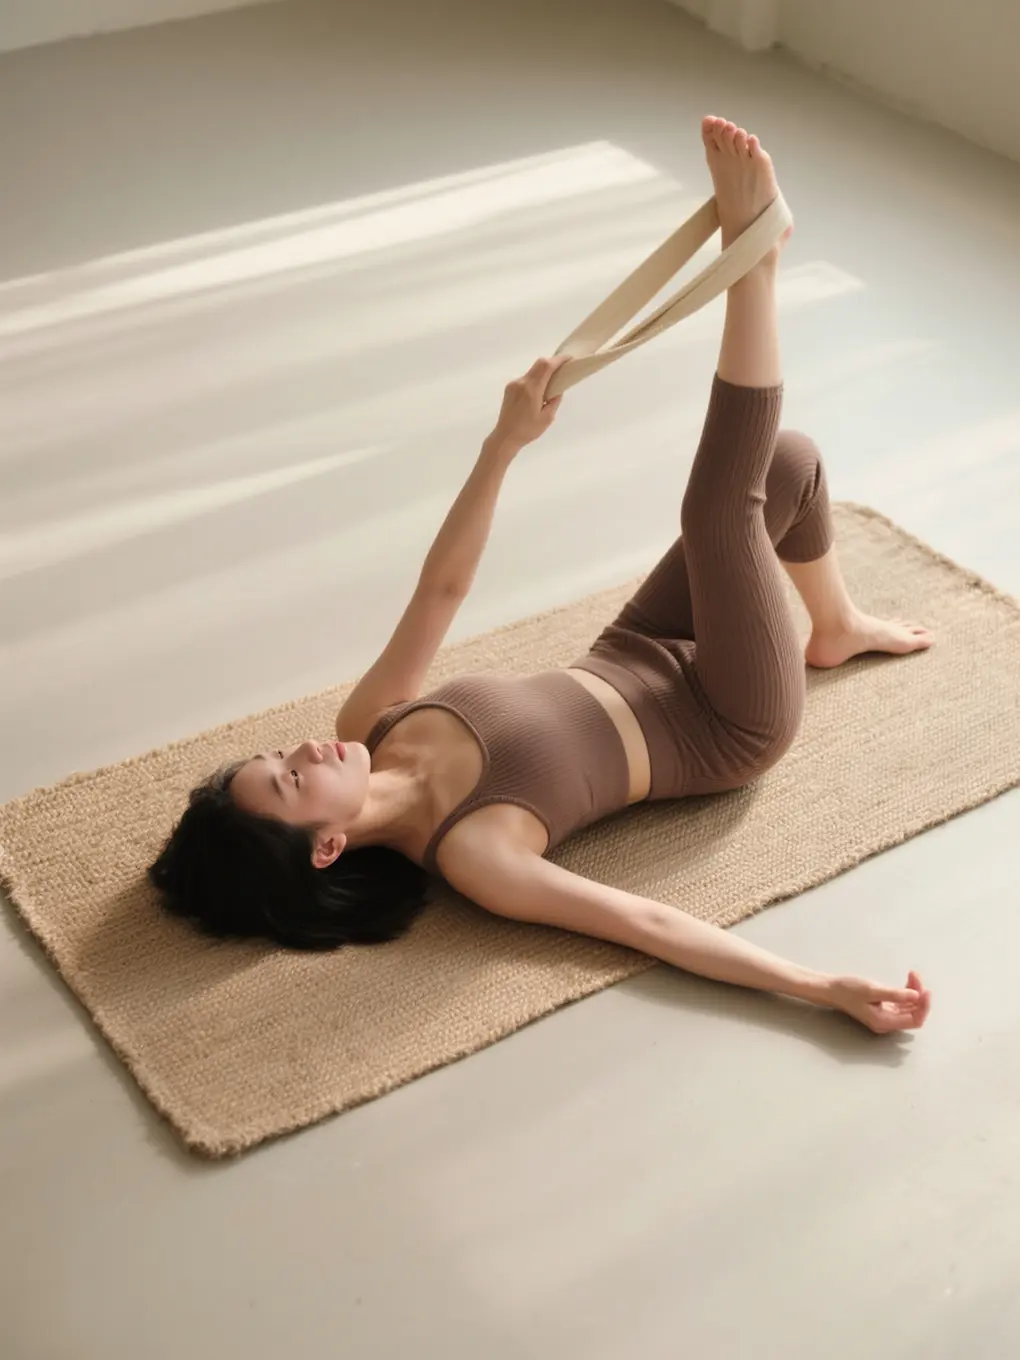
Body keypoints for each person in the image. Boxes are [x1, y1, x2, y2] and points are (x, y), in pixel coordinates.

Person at [151, 117, 934, 1035]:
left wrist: (504, 444)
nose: (304, 751)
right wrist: (823, 987)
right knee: (722, 511)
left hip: (637, 646)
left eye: (278, 757)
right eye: (291, 780)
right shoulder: (476, 854)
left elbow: (441, 592)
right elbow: (645, 924)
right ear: (326, 848)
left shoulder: (368, 726)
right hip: (727, 719)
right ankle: (752, 262)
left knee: (787, 463)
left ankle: (833, 625)